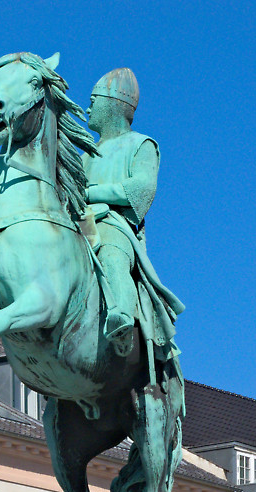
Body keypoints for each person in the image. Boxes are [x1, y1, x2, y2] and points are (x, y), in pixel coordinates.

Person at [82, 68, 161, 356]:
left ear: (113, 103)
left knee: (112, 254)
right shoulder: (86, 154)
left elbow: (141, 188)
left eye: (93, 100)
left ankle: (122, 316)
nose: (87, 107)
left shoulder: (141, 145)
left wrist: (90, 193)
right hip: (80, 222)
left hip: (116, 226)